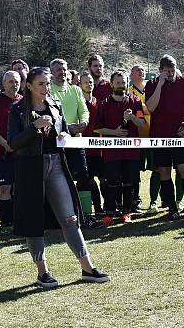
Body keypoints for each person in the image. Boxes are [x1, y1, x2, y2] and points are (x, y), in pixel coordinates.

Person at [8, 67, 110, 288]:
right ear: (29, 86)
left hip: (55, 164)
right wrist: (34, 127)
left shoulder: (55, 104)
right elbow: (13, 143)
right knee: (34, 221)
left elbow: (61, 128)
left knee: (70, 217)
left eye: (47, 83)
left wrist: (63, 133)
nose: (46, 88)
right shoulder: (17, 109)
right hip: (30, 168)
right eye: (41, 84)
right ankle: (43, 272)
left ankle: (88, 268)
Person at [145, 55, 184, 221]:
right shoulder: (152, 84)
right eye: (167, 71)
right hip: (160, 136)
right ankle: (172, 209)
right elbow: (151, 107)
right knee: (164, 172)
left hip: (179, 136)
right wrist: (160, 85)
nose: (170, 74)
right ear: (160, 71)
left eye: (172, 70)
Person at [94, 70, 146, 224]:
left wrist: (132, 118)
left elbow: (142, 124)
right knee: (111, 183)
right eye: (118, 82)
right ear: (111, 84)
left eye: (123, 82)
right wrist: (114, 132)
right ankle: (109, 213)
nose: (121, 85)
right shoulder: (104, 104)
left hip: (131, 152)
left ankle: (126, 212)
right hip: (112, 152)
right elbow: (97, 128)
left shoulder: (135, 101)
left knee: (129, 182)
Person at [49, 58, 92, 212]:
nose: (63, 72)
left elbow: (84, 110)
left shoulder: (76, 89)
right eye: (59, 69)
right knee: (61, 180)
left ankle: (86, 213)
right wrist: (68, 128)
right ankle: (64, 213)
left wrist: (84, 122)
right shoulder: (48, 91)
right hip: (57, 142)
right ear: (52, 73)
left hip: (76, 141)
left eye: (64, 69)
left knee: (83, 176)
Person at [0, 71, 23, 235]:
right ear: (3, 83)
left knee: (20, 189)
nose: (13, 84)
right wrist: (6, 145)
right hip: (4, 154)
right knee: (5, 188)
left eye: (16, 81)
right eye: (10, 82)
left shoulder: (24, 101)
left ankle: (19, 221)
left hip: (23, 155)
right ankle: (6, 223)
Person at [129, 64, 159, 213]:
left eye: (142, 70)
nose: (141, 72)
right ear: (131, 74)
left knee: (157, 168)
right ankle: (136, 201)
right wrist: (147, 108)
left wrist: (145, 107)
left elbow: (152, 107)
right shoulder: (129, 91)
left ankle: (155, 201)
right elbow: (145, 108)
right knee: (135, 171)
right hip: (136, 137)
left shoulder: (151, 87)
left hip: (154, 134)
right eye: (137, 70)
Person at [79, 71, 105, 216]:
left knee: (104, 179)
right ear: (80, 84)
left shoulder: (99, 103)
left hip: (99, 147)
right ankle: (95, 207)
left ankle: (107, 207)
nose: (89, 84)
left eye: (90, 81)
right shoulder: (78, 103)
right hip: (83, 148)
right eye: (85, 82)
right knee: (89, 180)